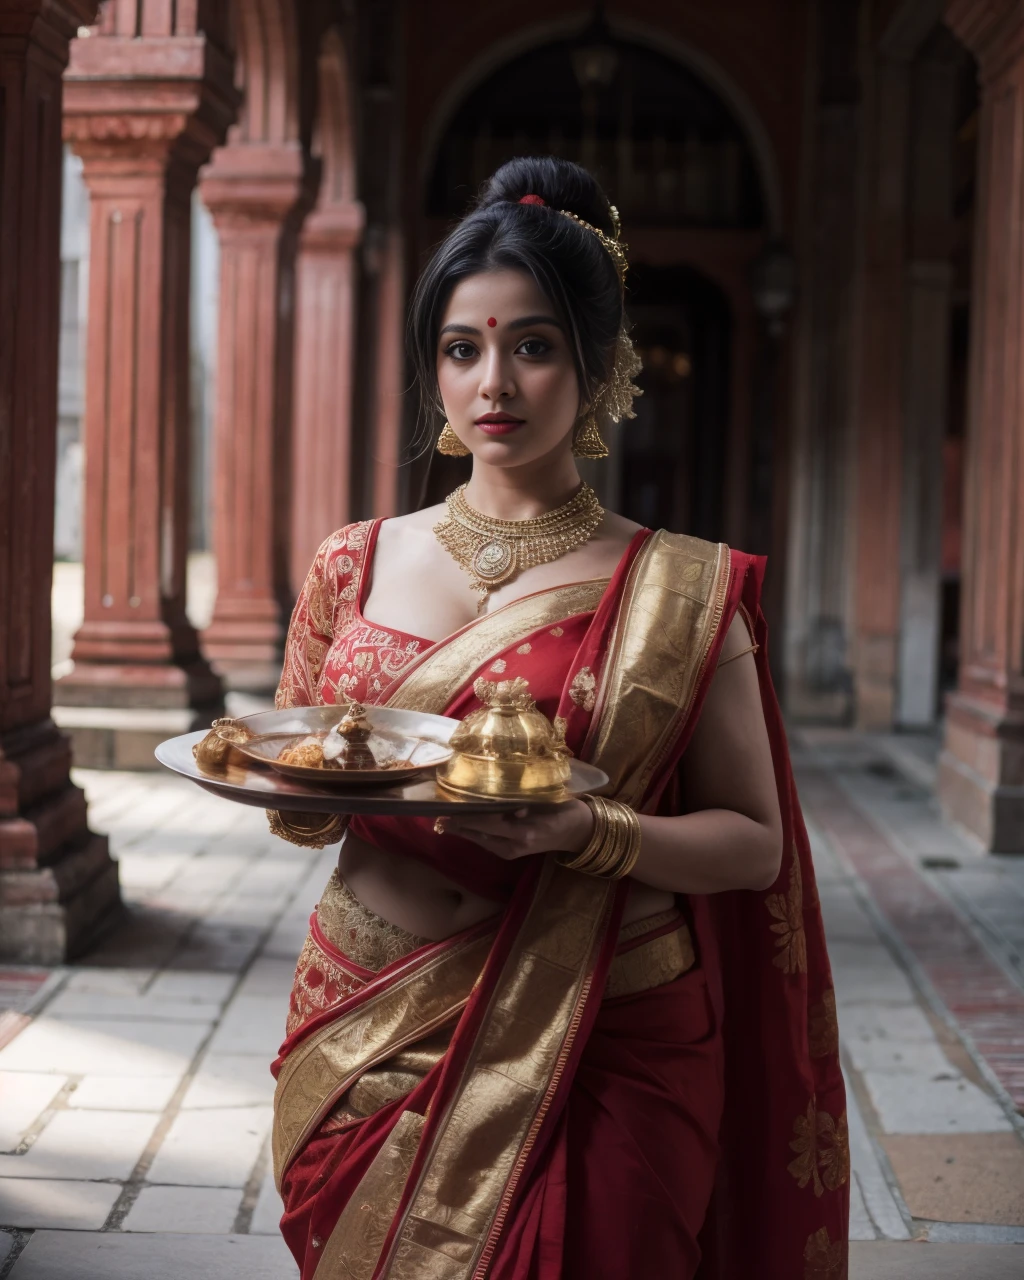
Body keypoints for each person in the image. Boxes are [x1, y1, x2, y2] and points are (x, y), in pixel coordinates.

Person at [269, 156, 849, 1279]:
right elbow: (301, 789)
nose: (496, 380)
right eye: (462, 347)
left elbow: (754, 842)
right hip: (365, 1010)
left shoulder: (678, 588)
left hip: (600, 1022)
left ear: (598, 365)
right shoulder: (351, 561)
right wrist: (293, 795)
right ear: (434, 366)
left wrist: (590, 836)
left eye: (532, 345)